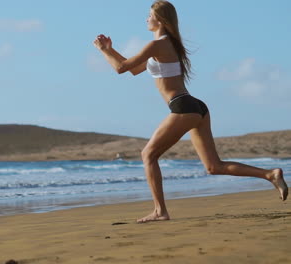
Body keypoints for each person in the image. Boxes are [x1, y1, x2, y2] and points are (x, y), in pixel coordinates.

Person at [93, 0, 288, 223]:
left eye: (149, 15)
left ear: (160, 20)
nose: (146, 19)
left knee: (148, 155)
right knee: (214, 167)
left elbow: (120, 68)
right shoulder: (168, 45)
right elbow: (134, 69)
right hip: (196, 107)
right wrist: (110, 50)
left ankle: (160, 211)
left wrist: (102, 51)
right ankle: (270, 174)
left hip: (183, 107)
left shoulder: (157, 45)